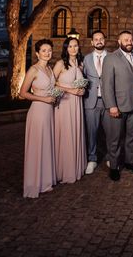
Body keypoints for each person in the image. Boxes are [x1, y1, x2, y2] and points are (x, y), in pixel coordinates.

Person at [101, 30, 133, 181]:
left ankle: (130, 162)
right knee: (115, 138)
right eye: (126, 40)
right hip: (117, 105)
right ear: (119, 42)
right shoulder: (110, 58)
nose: (129, 42)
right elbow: (106, 85)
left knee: (132, 136)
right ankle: (114, 167)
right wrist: (111, 105)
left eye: (131, 40)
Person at [20, 39, 57, 198]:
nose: (47, 53)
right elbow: (22, 93)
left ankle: (45, 182)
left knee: (47, 145)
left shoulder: (49, 68)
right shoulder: (33, 70)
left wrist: (55, 96)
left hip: (49, 111)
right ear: (37, 53)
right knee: (37, 146)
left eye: (49, 50)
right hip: (38, 112)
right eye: (44, 50)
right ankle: (33, 184)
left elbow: (52, 89)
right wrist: (43, 99)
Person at [53, 37, 87, 184]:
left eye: (76, 46)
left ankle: (75, 167)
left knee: (75, 132)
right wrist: (71, 90)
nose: (73, 49)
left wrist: (82, 90)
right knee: (66, 133)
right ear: (65, 48)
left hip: (76, 103)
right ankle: (63, 169)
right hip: (65, 103)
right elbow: (51, 84)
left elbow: (81, 83)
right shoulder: (60, 64)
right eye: (70, 46)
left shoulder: (80, 64)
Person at [81, 30, 107, 175]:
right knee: (91, 132)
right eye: (96, 39)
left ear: (105, 40)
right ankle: (92, 159)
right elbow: (82, 77)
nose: (99, 41)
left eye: (101, 38)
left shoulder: (112, 57)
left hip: (109, 101)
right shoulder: (86, 59)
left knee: (111, 132)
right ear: (92, 42)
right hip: (91, 102)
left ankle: (110, 157)